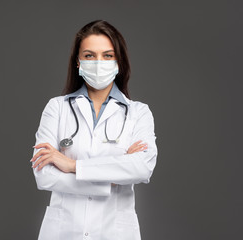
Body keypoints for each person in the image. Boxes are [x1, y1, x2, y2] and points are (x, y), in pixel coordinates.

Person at [30, 20, 158, 240]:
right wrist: (113, 175)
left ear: (119, 62)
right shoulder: (57, 108)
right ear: (78, 63)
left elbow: (141, 168)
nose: (99, 62)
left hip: (115, 232)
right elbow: (45, 176)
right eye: (89, 55)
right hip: (63, 232)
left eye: (107, 55)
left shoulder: (138, 112)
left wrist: (72, 166)